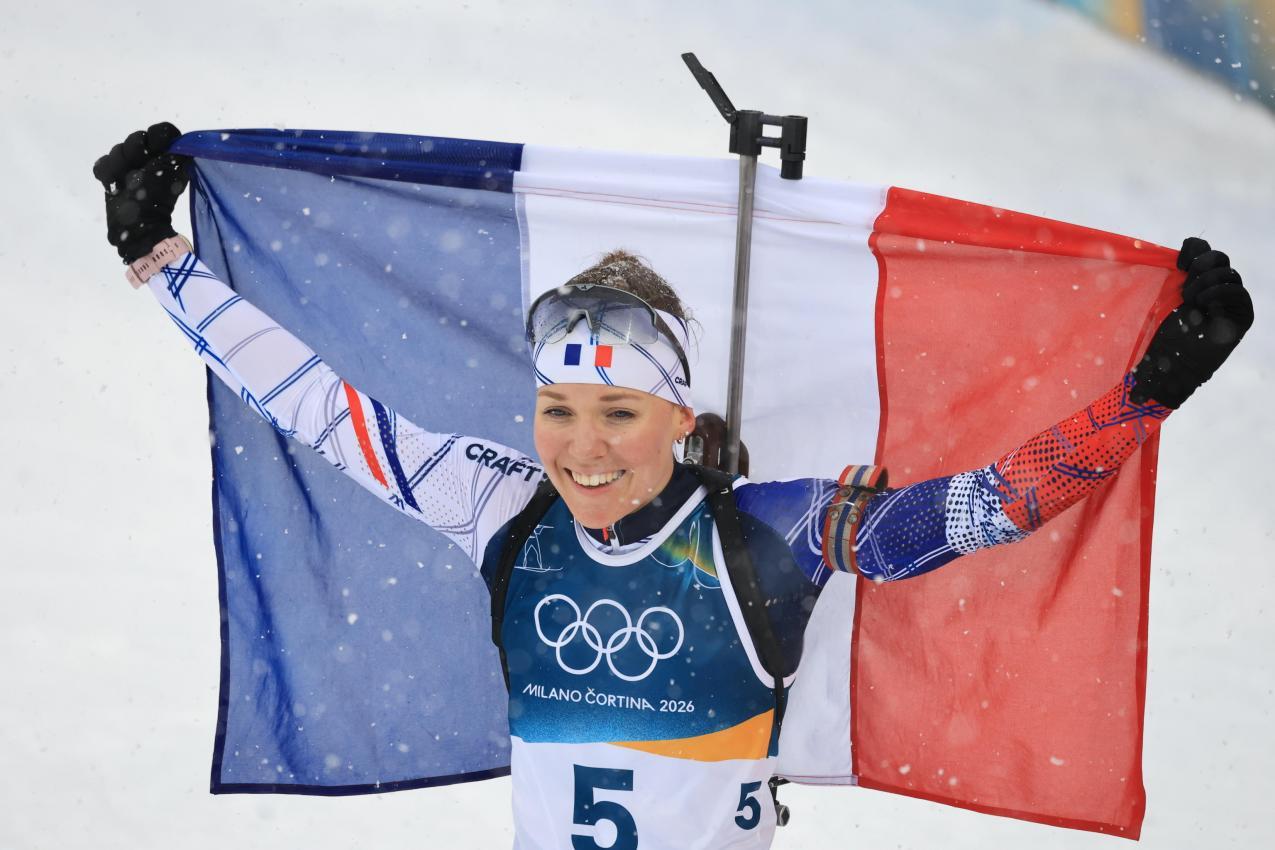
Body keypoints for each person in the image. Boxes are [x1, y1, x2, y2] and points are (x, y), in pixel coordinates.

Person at [95, 124, 1253, 850]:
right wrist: (162, 263)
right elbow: (317, 406)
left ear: (678, 424)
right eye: (558, 410)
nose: (581, 448)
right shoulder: (502, 505)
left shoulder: (767, 531)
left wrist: (1143, 397)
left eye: (618, 413)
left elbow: (967, 512)